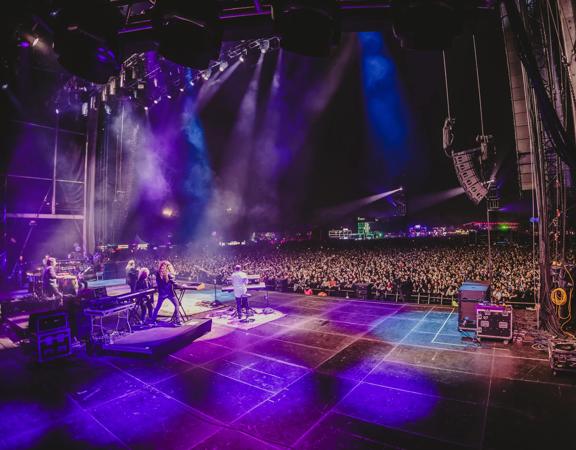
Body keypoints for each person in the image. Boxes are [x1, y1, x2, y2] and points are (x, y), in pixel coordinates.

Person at [150, 261, 181, 326]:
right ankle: (178, 321)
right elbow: (174, 282)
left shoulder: (159, 274)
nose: (163, 269)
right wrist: (181, 286)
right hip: (168, 293)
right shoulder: (166, 274)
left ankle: (152, 321)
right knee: (176, 305)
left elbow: (160, 284)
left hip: (163, 294)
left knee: (158, 307)